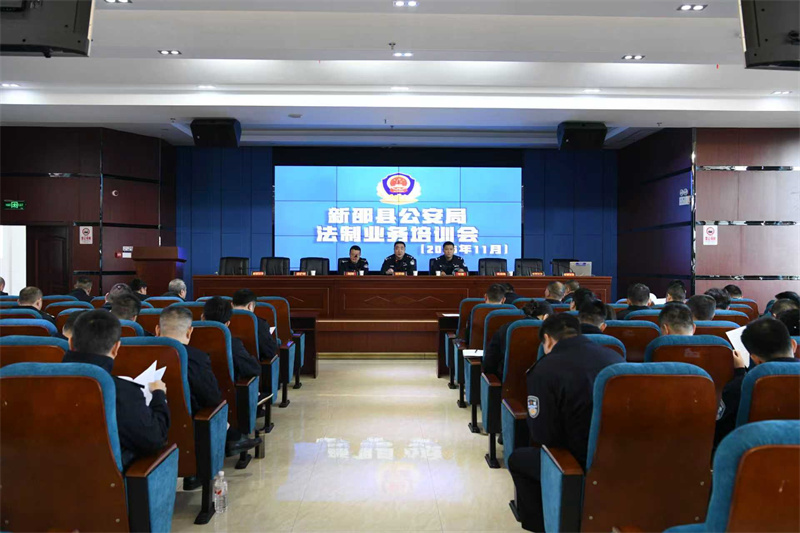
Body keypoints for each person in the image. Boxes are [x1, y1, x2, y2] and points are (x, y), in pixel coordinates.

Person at [507, 314, 623, 532]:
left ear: (548, 339)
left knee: (518, 459)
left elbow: (544, 436)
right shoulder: (614, 357)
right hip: (620, 457)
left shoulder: (545, 369)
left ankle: (543, 525)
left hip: (576, 461)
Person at [63, 310, 170, 469]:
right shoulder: (121, 391)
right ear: (116, 348)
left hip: (38, 476)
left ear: (70, 343)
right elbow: (154, 439)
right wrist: (159, 395)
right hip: (98, 478)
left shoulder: (36, 383)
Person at [156, 306, 233, 481]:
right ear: (190, 331)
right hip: (191, 430)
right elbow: (212, 398)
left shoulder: (136, 353)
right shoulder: (196, 357)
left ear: (157, 330)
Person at [715, 318, 799, 448]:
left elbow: (721, 434)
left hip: (755, 455)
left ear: (755, 359)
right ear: (793, 345)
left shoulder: (739, 387)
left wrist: (740, 375)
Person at [201, 297, 263, 457]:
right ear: (228, 323)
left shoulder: (183, 344)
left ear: (202, 317)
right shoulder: (232, 344)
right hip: (224, 396)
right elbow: (254, 368)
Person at [483, 300, 553, 379]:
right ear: (545, 316)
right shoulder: (552, 334)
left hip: (507, 381)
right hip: (540, 382)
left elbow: (490, 362)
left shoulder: (506, 328)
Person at [231, 288, 278, 362]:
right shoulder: (259, 323)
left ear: (231, 304)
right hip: (254, 364)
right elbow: (269, 352)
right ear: (250, 306)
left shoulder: (223, 320)